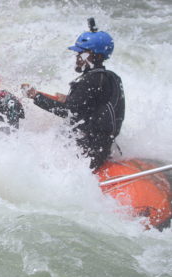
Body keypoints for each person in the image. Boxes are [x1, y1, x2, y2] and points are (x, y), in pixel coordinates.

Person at [21, 19, 125, 170]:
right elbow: (92, 107)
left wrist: (35, 97)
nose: (77, 58)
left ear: (95, 56)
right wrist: (70, 99)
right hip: (102, 146)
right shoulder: (110, 77)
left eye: (81, 54)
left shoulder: (91, 80)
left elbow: (68, 112)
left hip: (88, 153)